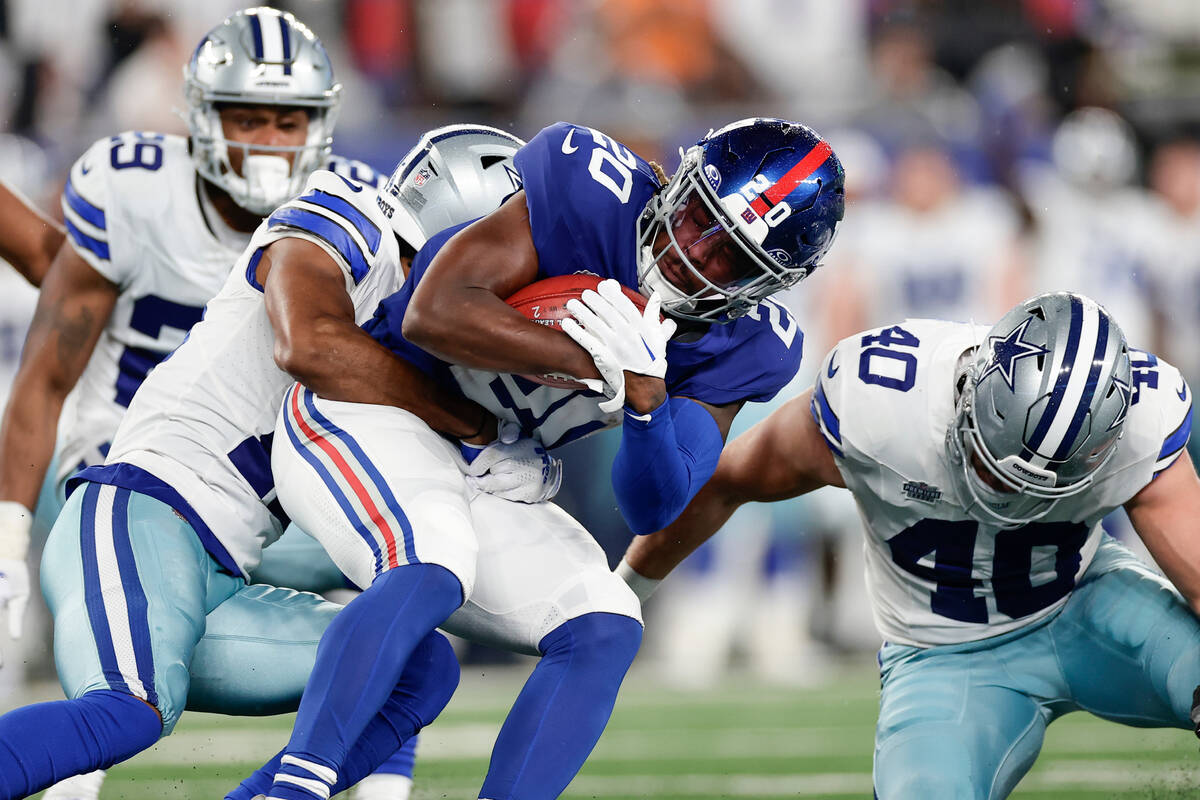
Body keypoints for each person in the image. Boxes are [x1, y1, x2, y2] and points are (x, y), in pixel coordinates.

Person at [229, 117, 844, 800]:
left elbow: (654, 503)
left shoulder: (753, 345)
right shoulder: (592, 188)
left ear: (768, 284)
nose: (691, 252)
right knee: (434, 559)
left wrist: (644, 400)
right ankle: (296, 791)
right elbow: (432, 313)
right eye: (698, 216)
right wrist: (590, 362)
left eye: (728, 256)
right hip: (377, 412)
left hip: (495, 466)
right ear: (681, 181)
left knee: (606, 622)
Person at [0, 55, 529, 800]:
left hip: (225, 562)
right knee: (124, 713)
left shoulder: (426, 328)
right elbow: (309, 343)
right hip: (144, 505)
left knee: (414, 663)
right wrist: (474, 423)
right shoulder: (343, 214)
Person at [618, 292, 1200, 799]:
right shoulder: (883, 404)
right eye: (993, 465)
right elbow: (726, 480)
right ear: (971, 392)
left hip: (1086, 608)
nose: (1004, 492)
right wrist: (626, 593)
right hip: (944, 656)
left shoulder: (1141, 427)